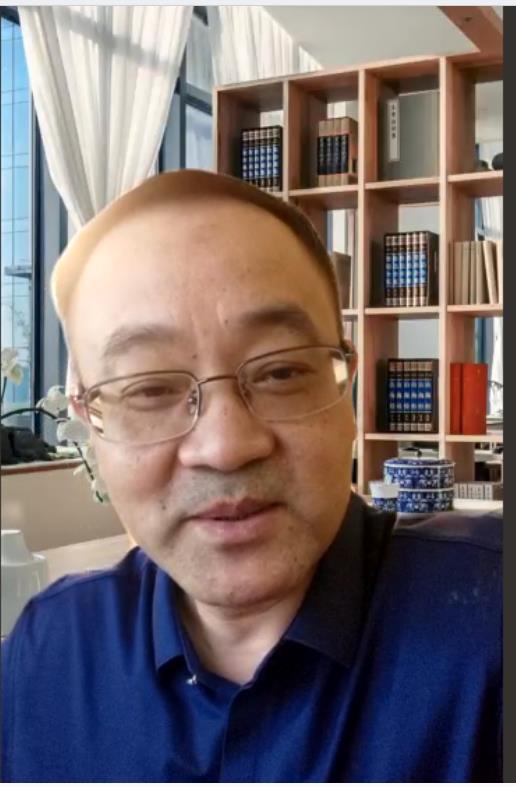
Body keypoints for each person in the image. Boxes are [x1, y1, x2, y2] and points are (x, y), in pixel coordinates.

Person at [1, 170, 501, 783]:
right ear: (90, 426)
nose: (225, 447)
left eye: (281, 372)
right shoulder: (49, 654)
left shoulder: (490, 622)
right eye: (150, 388)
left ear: (347, 391)